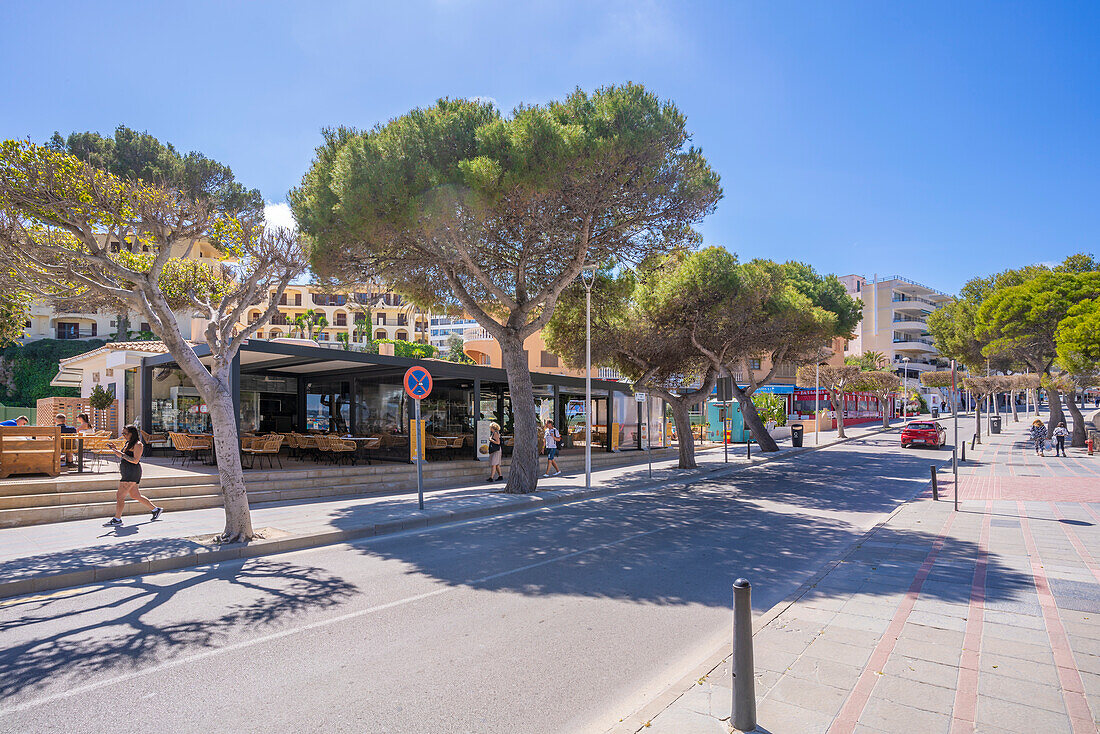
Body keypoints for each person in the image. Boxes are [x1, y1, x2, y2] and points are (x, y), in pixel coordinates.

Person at [106, 424, 162, 526]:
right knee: (135, 495)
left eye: (125, 433)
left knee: (120, 496)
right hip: (128, 471)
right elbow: (125, 455)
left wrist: (122, 454)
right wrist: (116, 450)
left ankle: (117, 519)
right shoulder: (128, 443)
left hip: (131, 472)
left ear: (132, 433)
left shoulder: (138, 444)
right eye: (122, 433)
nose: (123, 435)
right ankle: (155, 509)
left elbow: (135, 460)